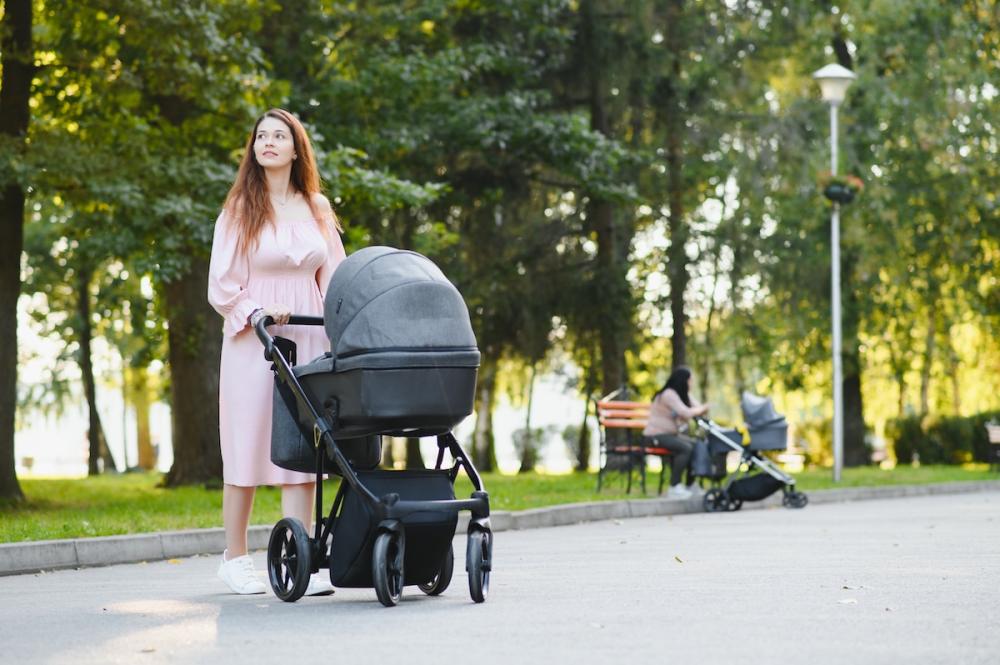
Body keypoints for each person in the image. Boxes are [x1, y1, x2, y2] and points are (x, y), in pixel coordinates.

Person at [208, 109, 346, 595]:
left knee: (302, 442)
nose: (268, 142)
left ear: (295, 148)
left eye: (278, 135)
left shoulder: (317, 208)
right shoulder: (239, 210)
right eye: (261, 136)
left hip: (309, 332)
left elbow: (334, 279)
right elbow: (221, 284)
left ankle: (299, 555)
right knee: (247, 438)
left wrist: (343, 324)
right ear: (254, 149)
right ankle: (235, 556)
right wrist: (258, 310)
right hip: (255, 336)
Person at [643, 366, 709, 499]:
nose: (692, 384)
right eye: (690, 381)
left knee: (696, 445)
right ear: (683, 380)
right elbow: (685, 412)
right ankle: (674, 486)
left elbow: (697, 408)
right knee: (685, 448)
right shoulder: (669, 394)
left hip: (670, 436)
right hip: (655, 436)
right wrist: (701, 409)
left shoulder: (681, 395)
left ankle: (690, 485)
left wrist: (700, 407)